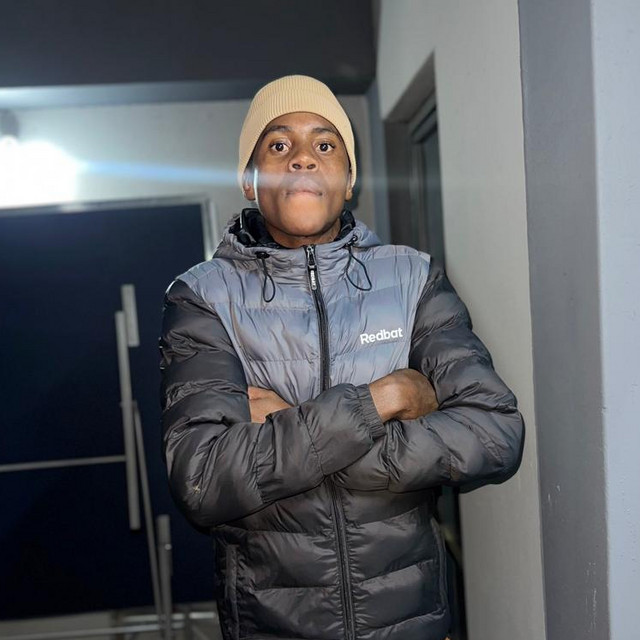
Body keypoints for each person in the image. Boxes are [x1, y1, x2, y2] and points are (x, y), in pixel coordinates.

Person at [160, 75, 524, 640]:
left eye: (325, 144)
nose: (303, 158)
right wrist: (384, 399)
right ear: (249, 180)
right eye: (278, 144)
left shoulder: (412, 277)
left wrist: (292, 428)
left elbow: (495, 435)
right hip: (274, 626)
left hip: (412, 623)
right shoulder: (203, 296)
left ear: (349, 179)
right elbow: (203, 480)